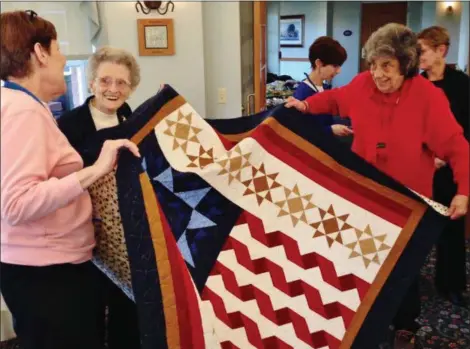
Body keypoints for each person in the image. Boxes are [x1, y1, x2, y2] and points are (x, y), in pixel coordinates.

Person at [285, 23, 469, 348]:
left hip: (408, 202)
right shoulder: (361, 85)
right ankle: (364, 324)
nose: (378, 74)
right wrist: (306, 105)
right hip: (364, 197)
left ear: (406, 65)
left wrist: (464, 190)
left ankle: (405, 326)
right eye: (373, 64)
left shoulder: (428, 97)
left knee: (403, 270)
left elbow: (457, 145)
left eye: (387, 66)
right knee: (362, 263)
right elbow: (335, 98)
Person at [0, 10, 140, 349]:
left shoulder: (20, 105)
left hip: (45, 268)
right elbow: (15, 204)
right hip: (47, 274)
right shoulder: (22, 111)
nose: (64, 58)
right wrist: (94, 169)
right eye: (58, 49)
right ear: (39, 52)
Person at [58, 46, 142, 349]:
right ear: (91, 82)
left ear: (131, 88)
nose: (113, 89)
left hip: (125, 232)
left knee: (128, 303)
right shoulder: (67, 125)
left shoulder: (132, 118)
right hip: (85, 228)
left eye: (122, 83)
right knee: (89, 307)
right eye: (105, 81)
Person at [418, 26, 469, 307]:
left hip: (450, 169)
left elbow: (466, 130)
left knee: (451, 228)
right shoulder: (415, 84)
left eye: (422, 51)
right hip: (419, 167)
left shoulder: (463, 85)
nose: (418, 57)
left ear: (441, 50)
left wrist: (445, 157)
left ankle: (451, 284)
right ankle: (407, 281)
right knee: (417, 226)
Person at [293, 36, 353, 138]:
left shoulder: (324, 88)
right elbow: (301, 133)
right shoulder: (302, 94)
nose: (339, 71)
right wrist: (330, 130)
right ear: (319, 63)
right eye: (335, 66)